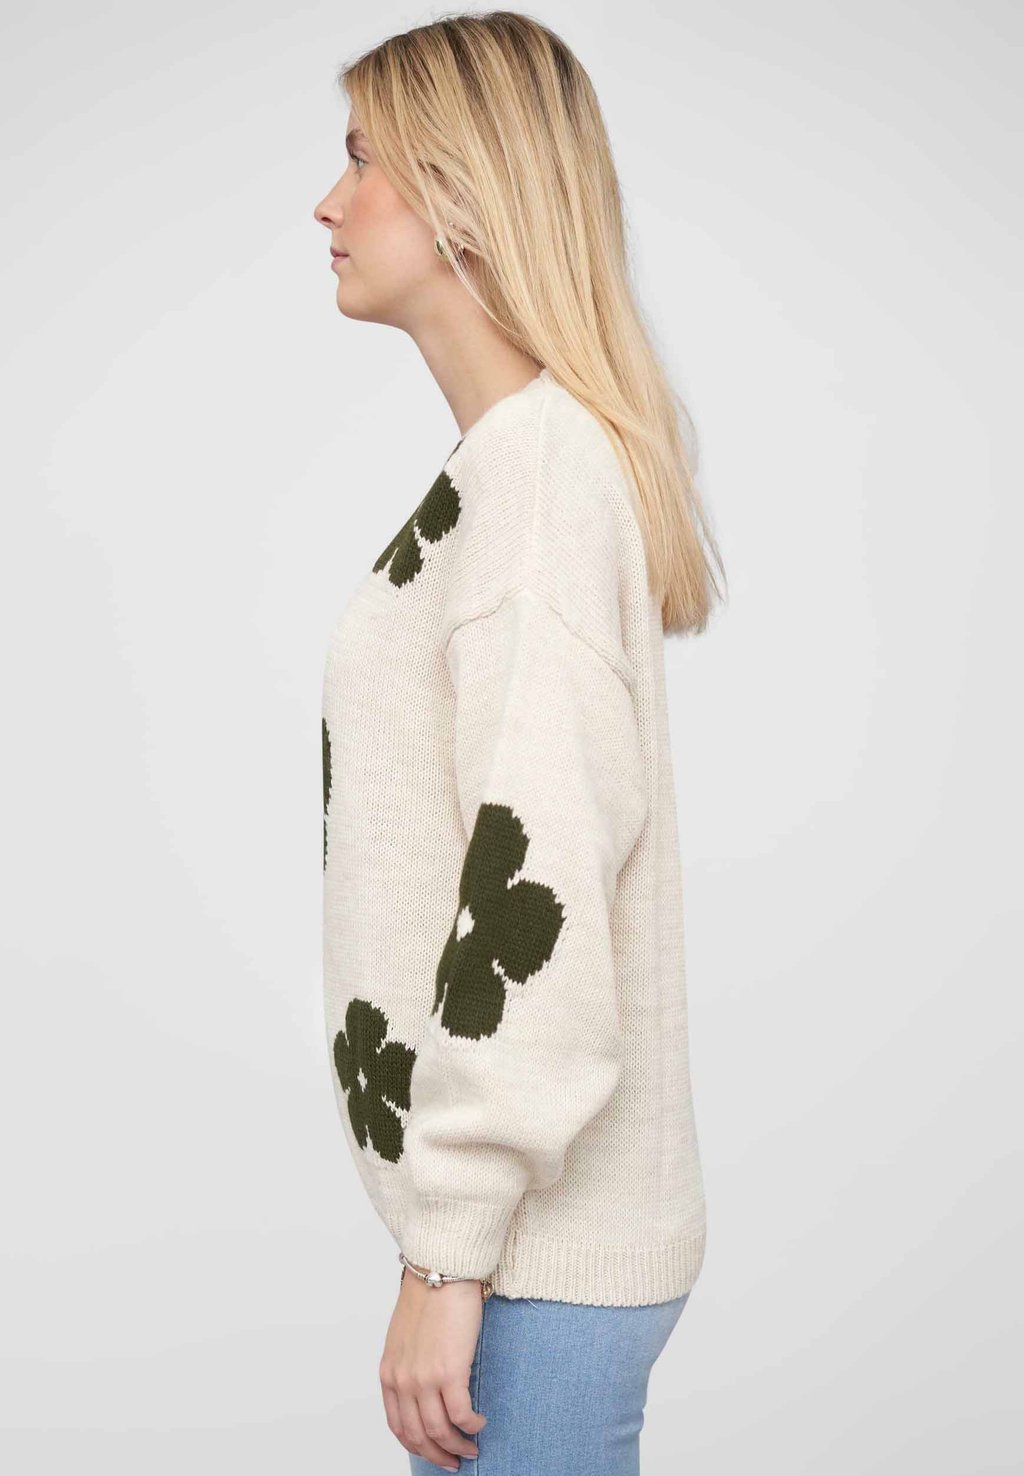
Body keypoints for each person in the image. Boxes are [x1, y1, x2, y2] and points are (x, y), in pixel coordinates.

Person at [313, 13, 725, 1473]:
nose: (327, 201)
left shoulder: (541, 483)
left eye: (362, 159)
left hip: (533, 1264)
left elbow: (531, 885)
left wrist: (448, 1258)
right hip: (525, 1254)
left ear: (464, 196)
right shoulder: (515, 469)